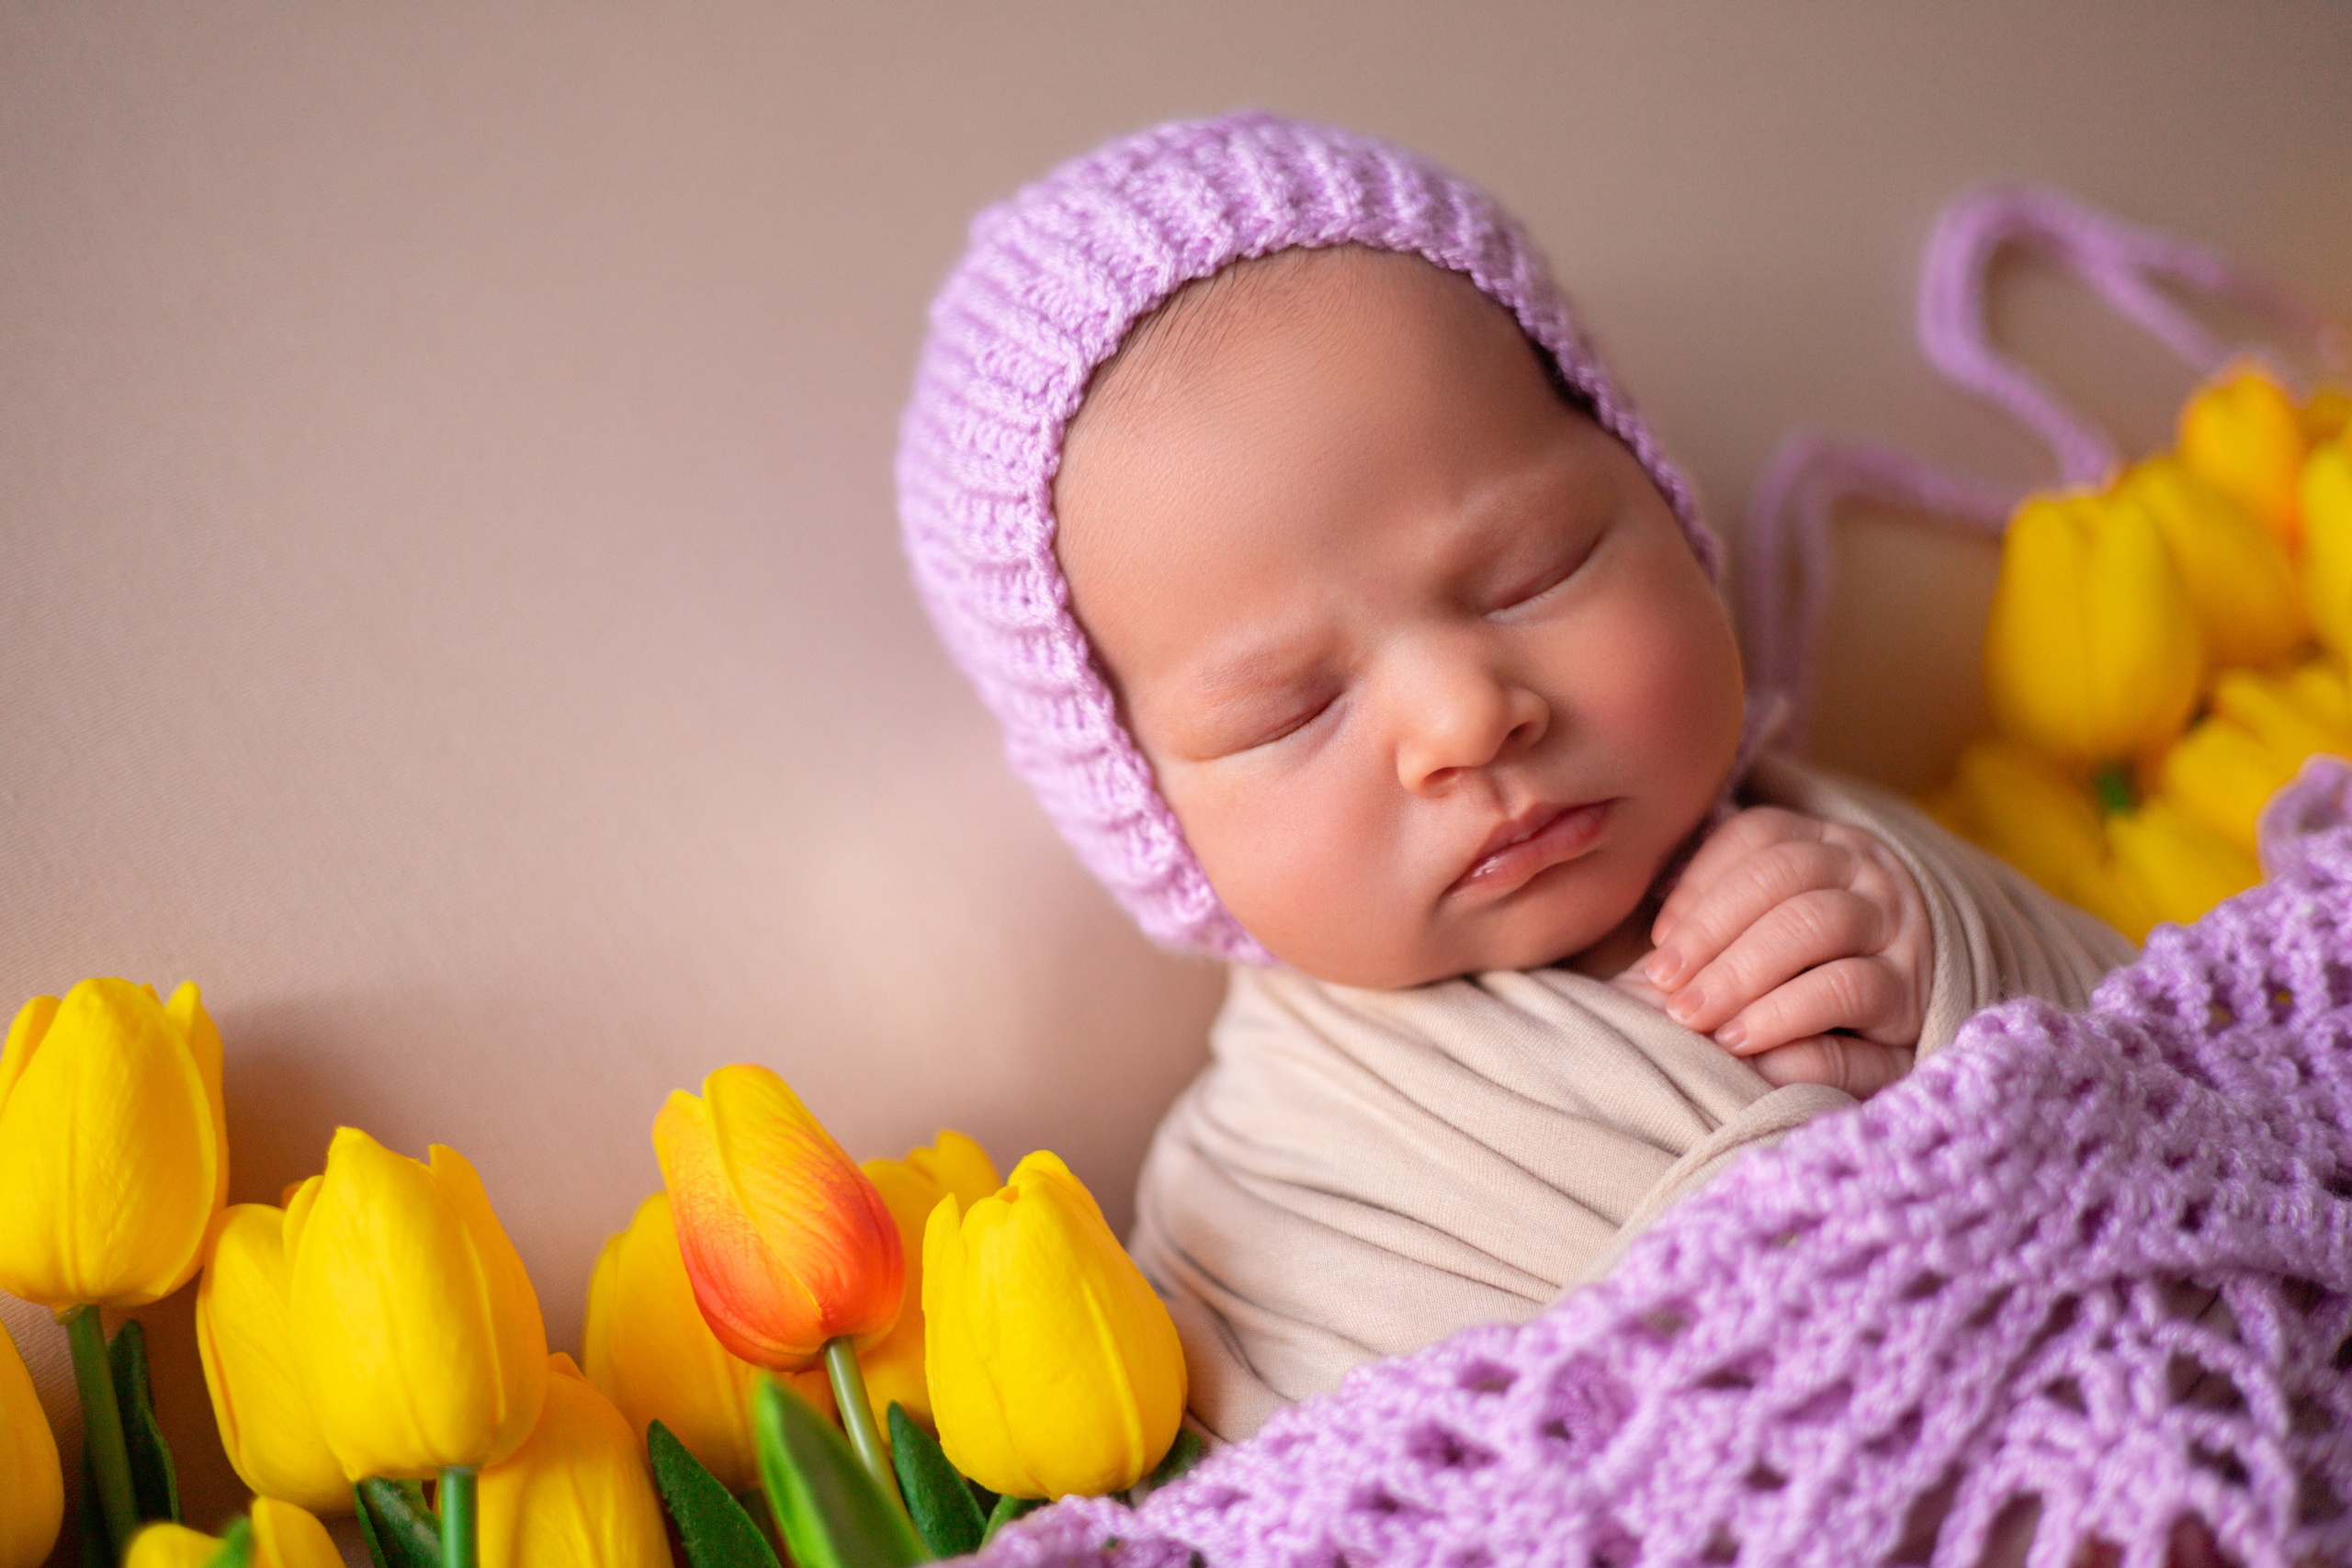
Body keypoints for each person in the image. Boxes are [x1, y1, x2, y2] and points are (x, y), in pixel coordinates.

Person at [897, 111, 2132, 1438]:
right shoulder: (1255, 1216)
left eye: (1532, 571)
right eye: (1289, 708)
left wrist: (1940, 973)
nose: (1465, 718)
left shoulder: (1848, 850)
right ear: (1144, 811)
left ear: (1660, 503)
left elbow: (2180, 1080)